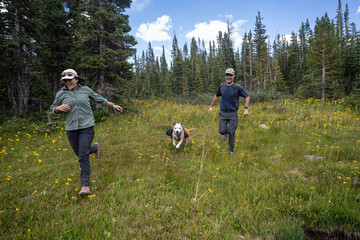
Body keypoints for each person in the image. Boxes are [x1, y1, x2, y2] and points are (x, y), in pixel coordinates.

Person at [50, 69, 123, 196]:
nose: (68, 82)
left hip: (87, 126)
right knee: (80, 153)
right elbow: (53, 107)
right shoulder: (61, 94)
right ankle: (95, 148)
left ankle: (85, 186)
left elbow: (99, 99)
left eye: (70, 80)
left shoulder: (85, 90)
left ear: (76, 79)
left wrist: (113, 105)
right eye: (65, 81)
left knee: (83, 156)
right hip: (71, 128)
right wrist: (57, 108)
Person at [208, 68, 250, 154]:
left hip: (233, 113)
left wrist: (246, 109)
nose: (228, 77)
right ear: (225, 76)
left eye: (230, 75)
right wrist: (211, 107)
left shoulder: (237, 87)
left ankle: (231, 150)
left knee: (232, 132)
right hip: (223, 113)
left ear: (233, 76)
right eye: (227, 75)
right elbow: (216, 96)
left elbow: (247, 97)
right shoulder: (222, 86)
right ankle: (224, 133)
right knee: (221, 131)